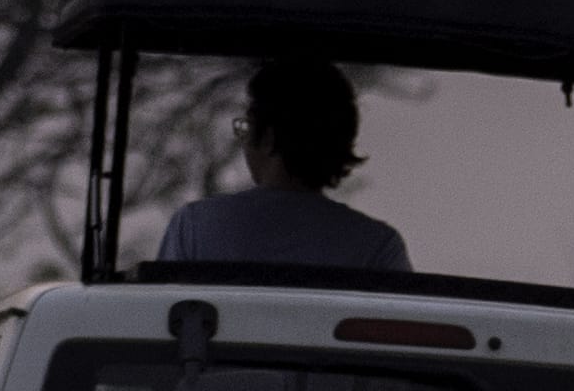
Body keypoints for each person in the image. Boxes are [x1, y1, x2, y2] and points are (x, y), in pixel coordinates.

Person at [153, 54, 412, 272]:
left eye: (246, 127)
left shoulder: (196, 227)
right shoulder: (377, 246)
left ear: (268, 137)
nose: (243, 141)